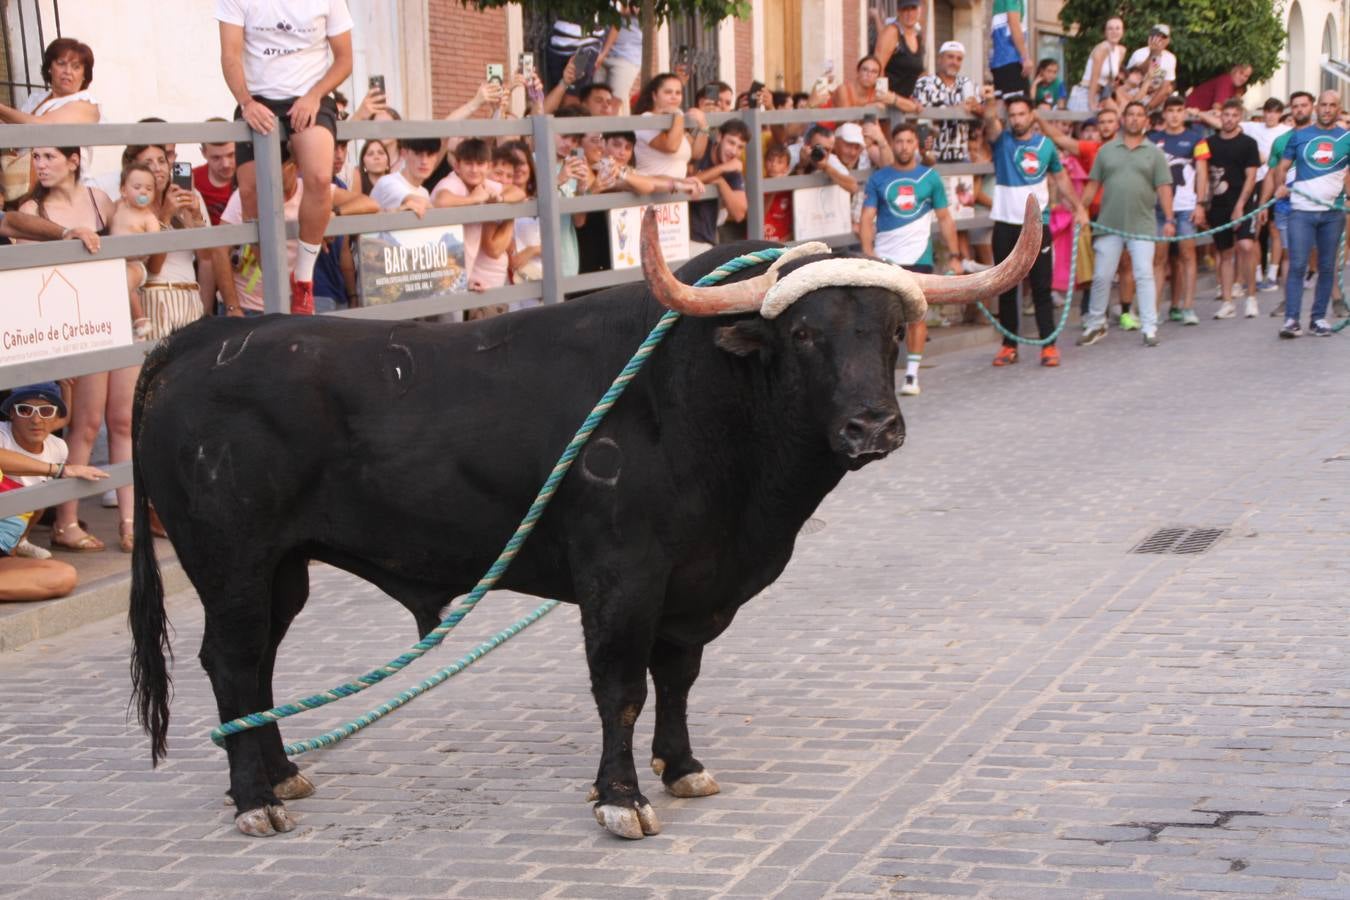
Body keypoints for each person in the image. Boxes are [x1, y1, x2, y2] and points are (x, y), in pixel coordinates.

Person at [217, 0, 354, 315]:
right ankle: (265, 266)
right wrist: (246, 102)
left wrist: (315, 95)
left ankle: (303, 280)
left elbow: (345, 59)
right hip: (259, 97)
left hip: (310, 95)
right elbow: (230, 55)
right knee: (249, 189)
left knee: (319, 177)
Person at [859, 122, 965, 396]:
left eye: (909, 141)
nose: (904, 146)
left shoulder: (930, 177)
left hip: (920, 257)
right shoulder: (879, 178)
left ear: (916, 145)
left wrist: (954, 256)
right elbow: (867, 218)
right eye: (899, 141)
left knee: (917, 316)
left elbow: (944, 218)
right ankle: (881, 376)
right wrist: (868, 253)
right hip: (885, 259)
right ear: (892, 145)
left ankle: (911, 375)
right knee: (881, 319)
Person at [984, 91, 1086, 367]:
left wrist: (1078, 207)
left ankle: (1048, 345)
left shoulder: (1046, 146)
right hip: (1005, 223)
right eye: (1012, 115)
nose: (1016, 120)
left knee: (1041, 287)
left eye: (1021, 114)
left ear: (1032, 116)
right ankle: (1009, 345)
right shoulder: (1001, 141)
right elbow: (990, 123)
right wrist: (990, 103)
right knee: (1005, 287)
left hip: (1037, 225)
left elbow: (1061, 179)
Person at [1078, 101, 1175, 348]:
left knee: (1144, 274)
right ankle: (1096, 324)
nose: (1134, 119)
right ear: (1124, 119)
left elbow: (1164, 188)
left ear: (1146, 121)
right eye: (1130, 115)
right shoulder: (1106, 151)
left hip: (1142, 224)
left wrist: (1170, 219)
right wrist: (1081, 209)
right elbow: (1093, 184)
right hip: (1109, 223)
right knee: (1102, 276)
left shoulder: (1154, 153)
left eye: (1139, 115)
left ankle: (1149, 326)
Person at [0, 385, 109, 601]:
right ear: (12, 413)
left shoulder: (57, 448)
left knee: (64, 576)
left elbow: (37, 508)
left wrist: (16, 544)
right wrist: (58, 470)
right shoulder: (2, 434)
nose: (36, 420)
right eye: (25, 410)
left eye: (46, 411)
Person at [1260, 89, 1350, 338]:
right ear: (1317, 107)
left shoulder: (1347, 138)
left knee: (1327, 266)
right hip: (1301, 210)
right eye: (1323, 104)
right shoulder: (1299, 137)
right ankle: (1291, 319)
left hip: (1333, 213)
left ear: (1338, 109)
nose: (1327, 109)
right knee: (1298, 264)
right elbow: (1283, 166)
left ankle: (1318, 318)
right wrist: (1280, 186)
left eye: (1332, 105)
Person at [0, 38, 99, 205]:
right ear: (50, 68)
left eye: (76, 67)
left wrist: (1, 109)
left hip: (64, 189)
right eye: (61, 63)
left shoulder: (86, 103)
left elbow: (41, 126)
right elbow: (15, 128)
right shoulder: (37, 98)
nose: (68, 71)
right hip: (26, 183)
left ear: (84, 75)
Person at [431, 139, 526, 299]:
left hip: (459, 278)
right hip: (438, 276)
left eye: (480, 164)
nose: (474, 170)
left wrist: (499, 199)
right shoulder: (452, 182)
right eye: (468, 163)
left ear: (488, 166)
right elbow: (441, 201)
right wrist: (474, 199)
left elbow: (518, 192)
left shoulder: (485, 185)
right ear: (457, 166)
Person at [1148, 95, 1210, 325]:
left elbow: (1202, 172)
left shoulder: (1197, 139)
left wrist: (1200, 203)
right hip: (1158, 208)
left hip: (1185, 207)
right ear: (1164, 114)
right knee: (1159, 258)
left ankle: (1188, 307)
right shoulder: (1153, 139)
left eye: (1179, 110)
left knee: (1187, 255)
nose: (1174, 115)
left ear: (1184, 112)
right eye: (1170, 110)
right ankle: (1152, 310)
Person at [219, 156, 304, 316]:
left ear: (297, 166)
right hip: (247, 309)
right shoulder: (248, 194)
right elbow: (219, 250)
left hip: (288, 305)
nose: (277, 173)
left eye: (283, 165)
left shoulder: (308, 192)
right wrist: (233, 307)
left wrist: (333, 214)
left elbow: (363, 202)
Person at [1205, 99, 1261, 320]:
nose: (1229, 119)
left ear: (1240, 117)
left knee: (1246, 246)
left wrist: (1240, 205)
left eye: (1233, 115)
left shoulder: (1248, 143)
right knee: (1224, 252)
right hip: (1218, 204)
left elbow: (1251, 176)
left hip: (1243, 202)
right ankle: (1227, 301)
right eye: (1225, 115)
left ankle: (1251, 297)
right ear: (1220, 116)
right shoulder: (1209, 142)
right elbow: (1203, 174)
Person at [1242, 97, 1292, 292]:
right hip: (1257, 183)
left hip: (1278, 183)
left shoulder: (1286, 133)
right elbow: (1226, 122)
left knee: (1275, 229)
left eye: (1275, 111)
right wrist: (1198, 113)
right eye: (1268, 111)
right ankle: (1256, 274)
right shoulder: (1254, 128)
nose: (1270, 115)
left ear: (1280, 114)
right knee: (1255, 230)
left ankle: (1273, 273)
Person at [108, 163, 160, 338]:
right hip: (113, 262)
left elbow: (155, 243)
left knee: (124, 278)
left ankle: (140, 318)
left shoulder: (148, 217)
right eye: (137, 187)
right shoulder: (116, 206)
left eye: (149, 188)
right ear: (123, 190)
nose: (143, 192)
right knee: (115, 280)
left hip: (136, 264)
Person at [911, 41, 982, 164]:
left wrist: (977, 108)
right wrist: (956, 109)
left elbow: (983, 111)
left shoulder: (968, 83)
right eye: (950, 57)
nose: (954, 62)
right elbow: (925, 118)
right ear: (939, 59)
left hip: (962, 155)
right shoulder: (925, 83)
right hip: (931, 156)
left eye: (959, 59)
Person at [689, 119, 749, 254]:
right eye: (731, 142)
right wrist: (722, 169)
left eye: (740, 147)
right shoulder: (702, 149)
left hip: (705, 242)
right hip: (677, 236)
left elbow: (739, 213)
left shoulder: (732, 168)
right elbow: (686, 182)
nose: (734, 151)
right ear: (719, 137)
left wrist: (721, 182)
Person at [633, 74, 706, 178]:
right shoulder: (646, 118)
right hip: (653, 191)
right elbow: (671, 147)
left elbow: (696, 154)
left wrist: (703, 126)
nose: (674, 96)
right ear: (654, 95)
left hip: (677, 191)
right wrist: (678, 114)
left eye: (678, 93)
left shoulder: (676, 121)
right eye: (668, 92)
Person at [369, 137, 439, 216]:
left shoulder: (424, 192)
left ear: (436, 157)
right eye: (417, 153)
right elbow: (419, 202)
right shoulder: (387, 182)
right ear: (404, 153)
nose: (424, 161)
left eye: (430, 154)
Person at [1068, 17, 1126, 113]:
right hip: (1086, 93)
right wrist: (1091, 102)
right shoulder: (1102, 48)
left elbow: (1111, 79)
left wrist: (1111, 98)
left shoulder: (1121, 51)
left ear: (1122, 32)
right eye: (1110, 28)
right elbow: (1095, 77)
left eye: (1117, 28)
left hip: (1102, 94)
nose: (1114, 31)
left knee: (1119, 116)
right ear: (1105, 32)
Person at [873, 0, 926, 101]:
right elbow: (878, 67)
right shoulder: (891, 32)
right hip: (890, 104)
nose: (909, 14)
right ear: (898, 11)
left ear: (919, 10)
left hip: (908, 104)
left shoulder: (918, 36)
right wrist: (883, 96)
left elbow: (918, 72)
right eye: (905, 9)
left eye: (913, 9)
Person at [597, 5, 642, 114]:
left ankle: (617, 131)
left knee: (616, 101)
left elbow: (626, 10)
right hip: (601, 51)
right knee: (597, 100)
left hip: (627, 55)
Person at [1126, 24, 1176, 112]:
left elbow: (1165, 87)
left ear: (1168, 40)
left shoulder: (1171, 58)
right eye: (1155, 36)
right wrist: (1153, 54)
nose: (1158, 39)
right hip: (1135, 94)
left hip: (1155, 98)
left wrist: (1149, 107)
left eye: (1162, 37)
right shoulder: (1138, 54)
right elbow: (1132, 77)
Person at [194, 124, 237, 226]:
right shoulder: (193, 180)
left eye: (231, 155)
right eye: (216, 158)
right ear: (203, 153)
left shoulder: (250, 177)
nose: (225, 164)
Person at [989, 0, 1033, 98]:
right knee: (1020, 106)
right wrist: (1025, 57)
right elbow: (1014, 24)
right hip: (1011, 62)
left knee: (1002, 107)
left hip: (998, 64)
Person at [1185, 64, 1253, 112]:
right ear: (1233, 71)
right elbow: (1217, 107)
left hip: (1200, 117)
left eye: (1246, 76)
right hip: (1192, 118)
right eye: (1241, 73)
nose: (1243, 78)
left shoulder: (1234, 86)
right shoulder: (1226, 81)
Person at [763, 143, 794, 242]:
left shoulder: (791, 188)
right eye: (770, 160)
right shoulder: (758, 185)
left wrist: (783, 243)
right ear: (764, 163)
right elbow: (759, 214)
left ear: (787, 168)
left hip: (783, 243)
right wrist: (773, 189)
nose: (773, 164)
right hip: (761, 243)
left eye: (779, 162)